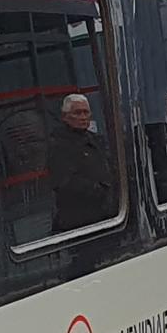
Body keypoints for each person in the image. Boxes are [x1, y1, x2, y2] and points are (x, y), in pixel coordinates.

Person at [47, 93, 115, 233]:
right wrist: (100, 190)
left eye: (86, 112)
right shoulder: (58, 144)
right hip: (78, 221)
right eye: (77, 113)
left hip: (105, 216)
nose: (83, 117)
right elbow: (64, 181)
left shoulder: (97, 140)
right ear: (65, 117)